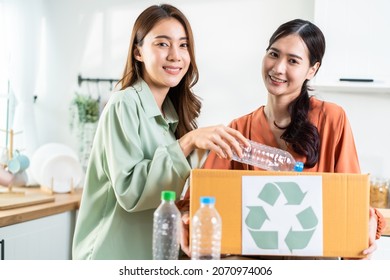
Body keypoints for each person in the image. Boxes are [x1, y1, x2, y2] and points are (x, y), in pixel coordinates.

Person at [179, 19, 386, 259]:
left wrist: (366, 223)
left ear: (312, 70)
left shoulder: (332, 119)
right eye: (274, 54)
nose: (278, 68)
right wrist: (188, 219)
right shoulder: (238, 129)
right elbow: (200, 199)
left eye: (293, 61)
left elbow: (350, 197)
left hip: (313, 267)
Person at [72, 4, 248, 260]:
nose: (176, 55)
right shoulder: (124, 104)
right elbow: (130, 191)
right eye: (162, 44)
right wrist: (187, 143)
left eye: (183, 45)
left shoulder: (171, 118)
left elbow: (172, 193)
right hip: (111, 256)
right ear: (138, 52)